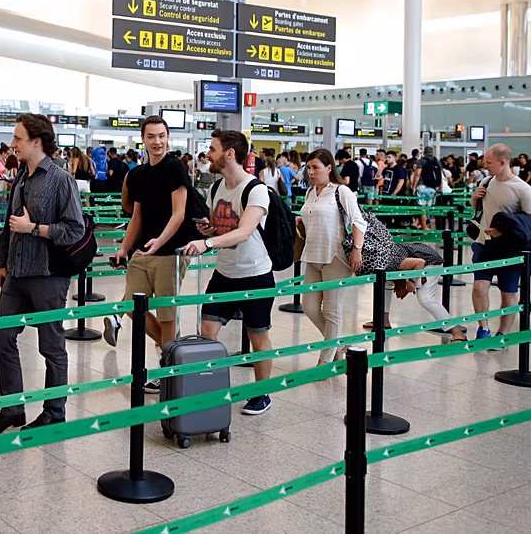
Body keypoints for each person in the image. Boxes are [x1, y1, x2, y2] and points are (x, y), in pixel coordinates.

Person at [0, 114, 84, 435]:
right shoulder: (21, 176)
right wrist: (1, 261)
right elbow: (9, 223)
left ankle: (54, 411)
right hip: (16, 273)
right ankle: (12, 409)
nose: (13, 144)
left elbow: (74, 229)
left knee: (51, 345)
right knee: (2, 338)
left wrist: (34, 228)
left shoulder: (61, 179)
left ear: (37, 141)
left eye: (18, 138)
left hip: (48, 274)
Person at [181, 129, 275, 415]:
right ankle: (211, 389)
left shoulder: (255, 189)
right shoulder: (216, 187)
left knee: (258, 335)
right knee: (207, 332)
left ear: (230, 153)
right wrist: (208, 229)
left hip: (256, 274)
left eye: (213, 149)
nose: (208, 154)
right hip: (224, 273)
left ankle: (262, 393)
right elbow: (220, 226)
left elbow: (245, 232)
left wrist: (207, 241)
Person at [104, 115, 197, 394]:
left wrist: (160, 242)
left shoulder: (175, 169)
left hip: (170, 251)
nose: (157, 141)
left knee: (168, 316)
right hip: (144, 250)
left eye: (162, 136)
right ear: (143, 140)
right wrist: (124, 247)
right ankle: (173, 353)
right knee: (133, 306)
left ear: (168, 138)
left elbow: (179, 213)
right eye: (152, 136)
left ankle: (168, 374)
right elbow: (137, 217)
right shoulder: (138, 175)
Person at [297, 148, 366, 365]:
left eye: (316, 167)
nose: (311, 172)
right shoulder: (310, 192)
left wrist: (357, 248)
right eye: (308, 168)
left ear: (329, 168)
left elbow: (358, 221)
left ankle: (325, 362)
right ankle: (337, 342)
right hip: (312, 255)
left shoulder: (341, 191)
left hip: (335, 257)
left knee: (331, 310)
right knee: (308, 307)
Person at [470, 143, 531, 340]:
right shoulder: (486, 181)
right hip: (484, 244)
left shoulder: (523, 189)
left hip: (510, 249)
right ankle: (483, 328)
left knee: (508, 292)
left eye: (489, 162)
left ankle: (503, 333)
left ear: (503, 162)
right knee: (479, 287)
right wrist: (475, 198)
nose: (486, 166)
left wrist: (504, 231)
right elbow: (478, 208)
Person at [413, 146, 443, 230]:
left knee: (422, 208)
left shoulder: (421, 161)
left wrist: (414, 187)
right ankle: (426, 226)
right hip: (432, 188)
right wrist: (440, 188)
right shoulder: (436, 161)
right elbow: (440, 176)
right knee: (427, 208)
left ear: (424, 153)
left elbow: (417, 174)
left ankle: (424, 228)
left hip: (422, 186)